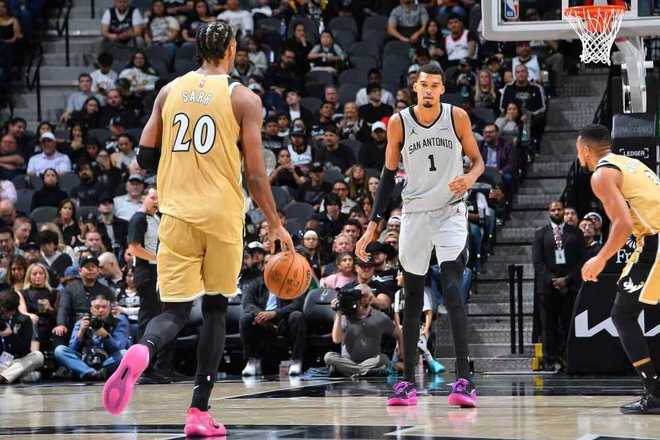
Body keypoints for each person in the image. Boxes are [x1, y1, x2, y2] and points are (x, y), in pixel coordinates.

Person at [102, 22, 294, 437]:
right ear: (231, 49)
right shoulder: (243, 98)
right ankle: (198, 412)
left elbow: (144, 159)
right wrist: (275, 223)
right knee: (215, 309)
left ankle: (142, 349)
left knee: (173, 312)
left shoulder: (169, 91)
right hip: (221, 216)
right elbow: (256, 174)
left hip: (175, 215)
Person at [355, 63, 485, 407]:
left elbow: (478, 161)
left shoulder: (457, 117)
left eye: (434, 85)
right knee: (411, 296)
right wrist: (373, 226)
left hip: (451, 212)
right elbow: (387, 175)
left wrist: (469, 178)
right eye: (423, 84)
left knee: (453, 289)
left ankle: (464, 380)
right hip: (414, 214)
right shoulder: (399, 122)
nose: (428, 90)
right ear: (415, 87)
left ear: (442, 89)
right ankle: (407, 382)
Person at [577, 124, 660, 414]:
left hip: (655, 241)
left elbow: (622, 224)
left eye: (578, 151)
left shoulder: (601, 175)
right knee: (626, 312)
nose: (579, 157)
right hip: (650, 239)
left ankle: (654, 393)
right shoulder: (631, 163)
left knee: (622, 314)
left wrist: (600, 258)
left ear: (585, 149)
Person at [532, 200, 585, 371]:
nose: (556, 212)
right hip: (547, 288)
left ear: (563, 211)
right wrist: (552, 280)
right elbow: (538, 262)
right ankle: (550, 360)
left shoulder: (576, 233)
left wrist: (567, 279)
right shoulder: (540, 234)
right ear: (549, 212)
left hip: (569, 286)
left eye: (559, 209)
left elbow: (582, 260)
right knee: (548, 326)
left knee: (568, 324)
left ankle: (566, 357)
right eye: (553, 210)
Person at [324, 284, 404, 377]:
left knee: (383, 358)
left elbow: (399, 334)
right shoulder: (345, 316)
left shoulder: (379, 317)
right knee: (329, 356)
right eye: (357, 296)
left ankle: (348, 371)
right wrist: (338, 313)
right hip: (348, 360)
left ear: (370, 299)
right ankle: (364, 371)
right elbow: (336, 340)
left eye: (363, 296)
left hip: (370, 361)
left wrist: (402, 359)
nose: (360, 299)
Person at [240, 274, 306, 377]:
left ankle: (296, 361)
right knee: (245, 319)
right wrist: (260, 315)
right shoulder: (256, 283)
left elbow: (297, 304)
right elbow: (247, 303)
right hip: (262, 322)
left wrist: (275, 313)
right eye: (266, 264)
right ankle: (252, 362)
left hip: (283, 320)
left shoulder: (292, 283)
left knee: (297, 316)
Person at [54, 293, 129, 380]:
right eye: (97, 307)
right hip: (85, 360)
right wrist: (81, 332)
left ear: (109, 309)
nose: (101, 310)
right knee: (60, 350)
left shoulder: (119, 322)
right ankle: (90, 372)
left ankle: (95, 372)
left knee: (125, 353)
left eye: (104, 307)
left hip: (108, 361)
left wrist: (106, 336)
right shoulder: (82, 322)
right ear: (91, 309)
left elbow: (119, 348)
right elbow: (72, 349)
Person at [0, 290, 44, 384]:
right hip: (2, 361)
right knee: (32, 375)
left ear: (14, 309)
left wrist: (10, 335)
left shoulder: (24, 320)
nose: (5, 314)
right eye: (3, 311)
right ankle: (15, 377)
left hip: (16, 360)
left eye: (8, 311)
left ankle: (4, 377)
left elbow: (24, 349)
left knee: (38, 356)